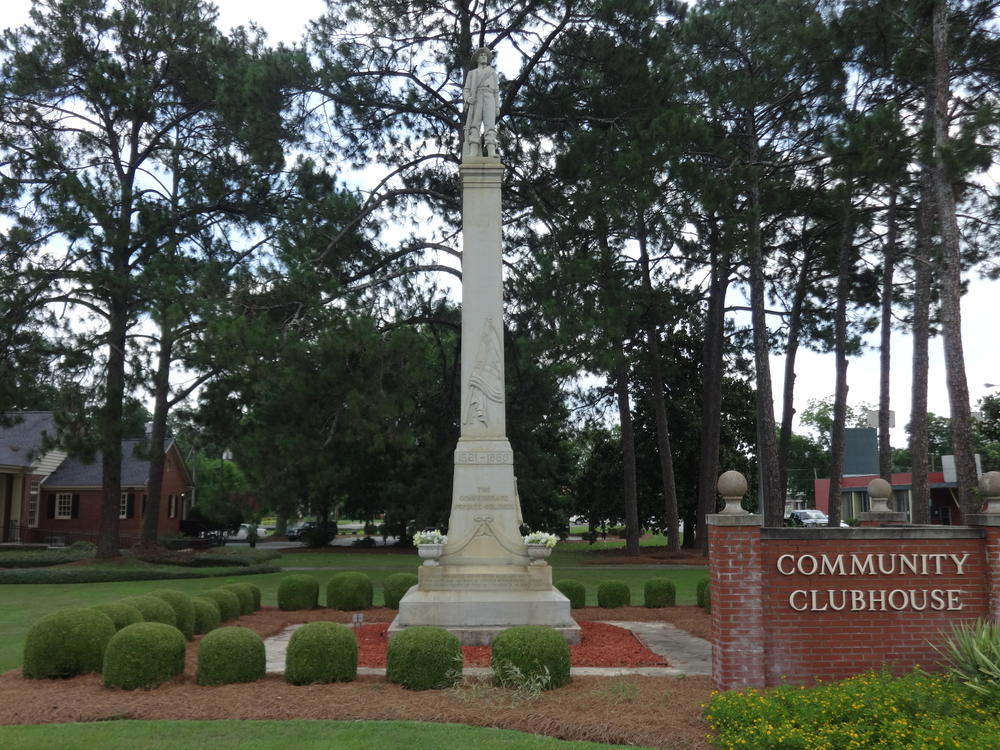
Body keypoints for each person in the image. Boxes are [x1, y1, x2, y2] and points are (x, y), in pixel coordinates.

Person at [463, 47, 499, 158]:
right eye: (481, 55)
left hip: (489, 96)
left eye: (485, 55)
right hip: (476, 98)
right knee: (474, 125)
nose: (484, 56)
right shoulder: (472, 73)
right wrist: (468, 99)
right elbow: (466, 89)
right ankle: (473, 151)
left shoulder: (492, 73)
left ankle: (491, 151)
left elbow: (496, 91)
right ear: (477, 59)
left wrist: (497, 106)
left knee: (490, 125)